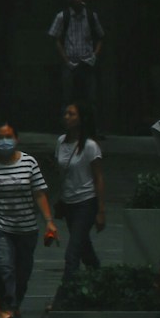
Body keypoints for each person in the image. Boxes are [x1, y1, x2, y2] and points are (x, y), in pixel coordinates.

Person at [0, 122, 55, 310]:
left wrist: (49, 222)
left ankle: (14, 301)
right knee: (5, 268)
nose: (5, 141)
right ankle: (9, 309)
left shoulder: (29, 163)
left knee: (23, 273)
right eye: (0, 138)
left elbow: (39, 192)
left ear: (16, 138)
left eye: (8, 136)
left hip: (26, 228)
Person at [51, 102, 104, 287]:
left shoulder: (90, 146)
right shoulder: (60, 142)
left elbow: (98, 178)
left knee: (72, 253)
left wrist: (100, 211)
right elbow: (61, 174)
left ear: (81, 119)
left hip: (86, 202)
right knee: (84, 248)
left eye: (72, 114)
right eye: (66, 113)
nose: (67, 117)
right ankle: (100, 277)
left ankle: (64, 296)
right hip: (68, 203)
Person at [48, 0, 103, 90]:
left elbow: (101, 37)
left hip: (87, 63)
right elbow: (55, 38)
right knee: (68, 95)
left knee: (90, 95)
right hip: (70, 63)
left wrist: (94, 56)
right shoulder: (62, 16)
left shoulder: (91, 16)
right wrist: (66, 60)